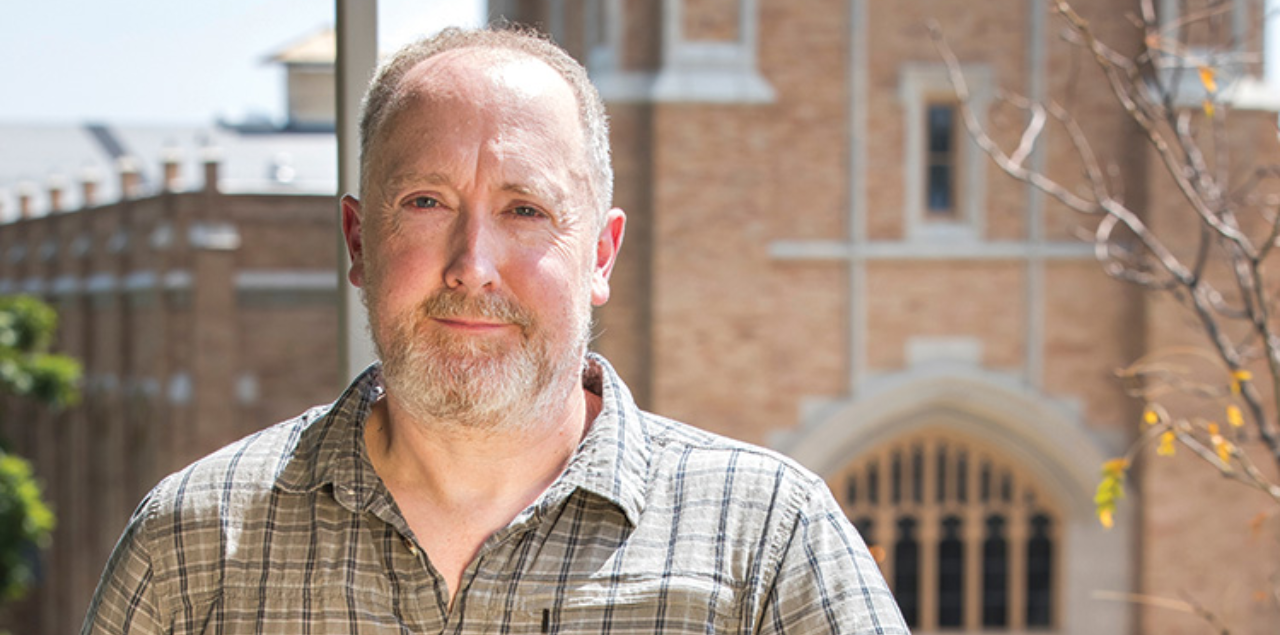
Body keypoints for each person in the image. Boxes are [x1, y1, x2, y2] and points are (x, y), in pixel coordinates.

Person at [82, 26, 908, 634]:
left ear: (600, 254)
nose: (472, 265)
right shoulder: (192, 543)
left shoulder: (768, 543)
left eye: (525, 210)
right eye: (426, 202)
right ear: (359, 242)